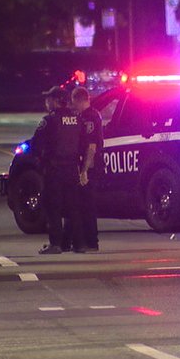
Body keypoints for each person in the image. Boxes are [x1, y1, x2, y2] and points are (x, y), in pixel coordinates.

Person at [31, 86, 82, 255]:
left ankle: (56, 244)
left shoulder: (49, 120)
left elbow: (36, 145)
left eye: (49, 99)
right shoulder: (76, 119)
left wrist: (40, 163)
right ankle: (76, 243)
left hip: (54, 170)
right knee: (72, 207)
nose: (47, 102)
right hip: (72, 169)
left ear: (55, 101)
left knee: (53, 207)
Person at [72, 86, 102, 253]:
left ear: (79, 99)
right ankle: (84, 240)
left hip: (89, 167)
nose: (72, 104)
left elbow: (91, 146)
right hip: (88, 166)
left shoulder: (89, 117)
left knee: (87, 205)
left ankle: (91, 242)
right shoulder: (89, 115)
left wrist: (84, 171)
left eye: (73, 101)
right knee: (83, 204)